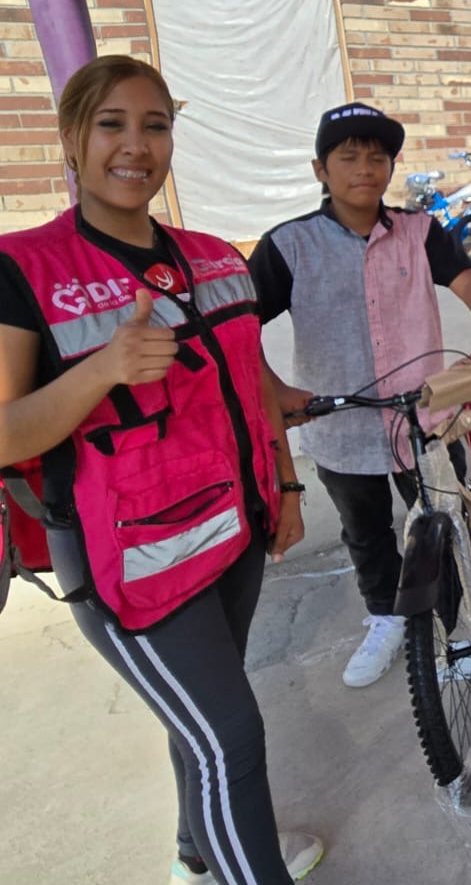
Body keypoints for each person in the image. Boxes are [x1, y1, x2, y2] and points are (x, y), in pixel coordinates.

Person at [0, 55, 322, 884]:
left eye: (156, 125)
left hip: (232, 533)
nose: (135, 145)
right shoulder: (23, 268)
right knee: (233, 739)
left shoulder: (216, 257)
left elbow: (251, 383)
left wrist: (284, 486)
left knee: (204, 729)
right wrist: (100, 369)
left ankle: (197, 854)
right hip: (124, 564)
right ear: (73, 137)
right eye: (112, 123)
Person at [250, 103, 471, 688]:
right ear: (319, 170)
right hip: (339, 425)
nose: (364, 168)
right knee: (367, 532)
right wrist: (275, 388)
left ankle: (470, 636)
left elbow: (469, 281)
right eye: (348, 157)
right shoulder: (290, 246)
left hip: (422, 419)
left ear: (391, 167)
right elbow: (237, 326)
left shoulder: (420, 233)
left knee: (449, 524)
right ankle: (384, 617)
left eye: (377, 157)